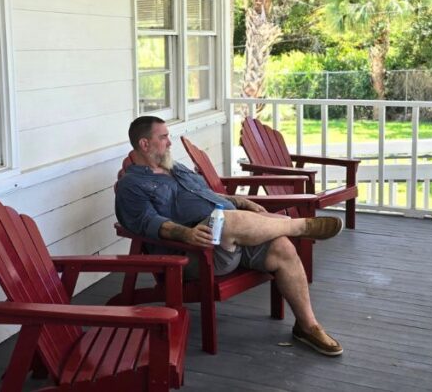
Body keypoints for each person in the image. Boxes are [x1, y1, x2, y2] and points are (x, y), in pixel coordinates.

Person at [114, 115, 345, 356]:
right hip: (195, 252)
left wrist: (240, 201)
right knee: (227, 221)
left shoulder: (176, 169)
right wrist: (186, 234)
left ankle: (308, 326)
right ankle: (299, 227)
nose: (170, 143)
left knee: (282, 247)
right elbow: (146, 222)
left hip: (232, 237)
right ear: (144, 144)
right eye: (163, 137)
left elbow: (207, 195)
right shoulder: (131, 185)